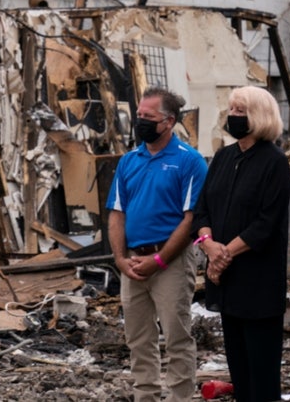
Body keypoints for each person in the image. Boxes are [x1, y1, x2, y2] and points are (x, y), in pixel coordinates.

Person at [105, 87, 207, 402]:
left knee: (176, 337)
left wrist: (160, 260)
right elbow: (116, 214)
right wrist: (120, 259)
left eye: (148, 117)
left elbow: (190, 220)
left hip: (171, 263)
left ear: (168, 122)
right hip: (133, 262)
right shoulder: (128, 161)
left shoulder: (190, 161)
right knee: (138, 338)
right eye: (139, 116)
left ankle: (179, 397)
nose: (140, 122)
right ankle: (145, 395)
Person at [192, 86, 290, 402]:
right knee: (239, 368)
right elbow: (202, 209)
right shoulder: (223, 157)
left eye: (240, 111)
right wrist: (208, 245)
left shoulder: (274, 162)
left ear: (259, 116)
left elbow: (266, 223)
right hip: (226, 283)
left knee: (261, 373)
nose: (232, 116)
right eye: (232, 109)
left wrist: (222, 256)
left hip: (257, 282)